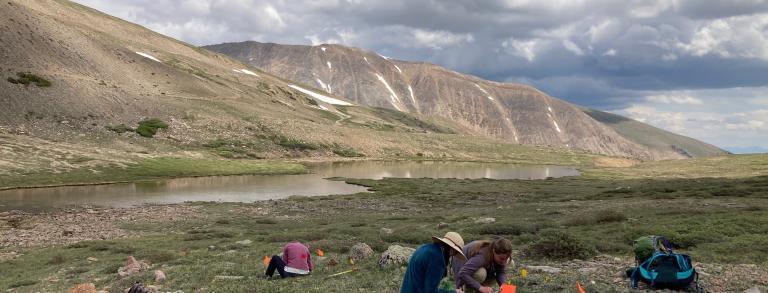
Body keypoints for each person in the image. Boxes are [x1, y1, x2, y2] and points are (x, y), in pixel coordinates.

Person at [401, 231, 467, 293]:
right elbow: (430, 291)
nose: (453, 255)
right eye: (456, 253)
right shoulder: (437, 258)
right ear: (452, 250)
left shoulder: (425, 247)